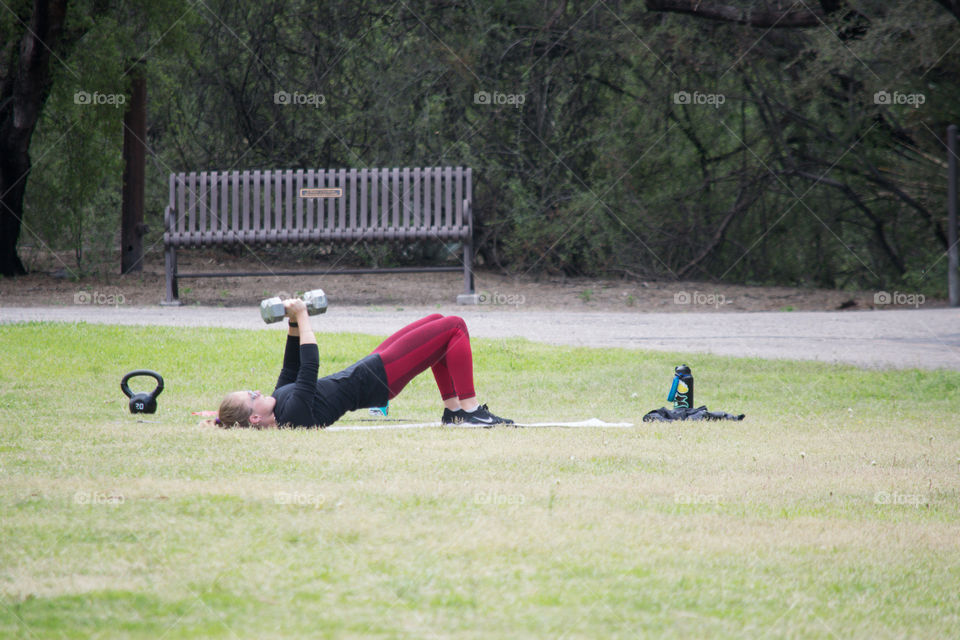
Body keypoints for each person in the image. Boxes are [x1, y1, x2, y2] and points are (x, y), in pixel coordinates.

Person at [214, 299, 514, 428]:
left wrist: (292, 322)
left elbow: (291, 367)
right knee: (455, 326)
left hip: (370, 369)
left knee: (438, 322)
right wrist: (304, 316)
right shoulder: (293, 416)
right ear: (255, 418)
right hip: (378, 378)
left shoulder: (279, 402)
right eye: (251, 396)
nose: (256, 391)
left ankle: (454, 413)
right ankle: (473, 413)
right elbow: (308, 369)